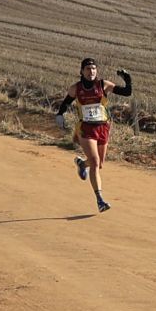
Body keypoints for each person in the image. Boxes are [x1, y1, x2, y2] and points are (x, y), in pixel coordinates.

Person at [54, 58, 132, 212]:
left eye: (94, 68)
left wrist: (128, 80)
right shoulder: (76, 88)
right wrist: (60, 115)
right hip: (86, 129)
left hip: (103, 127)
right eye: (88, 69)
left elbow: (127, 92)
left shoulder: (103, 85)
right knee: (95, 162)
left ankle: (82, 164)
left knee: (99, 163)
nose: (91, 72)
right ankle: (100, 200)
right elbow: (66, 103)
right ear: (82, 71)